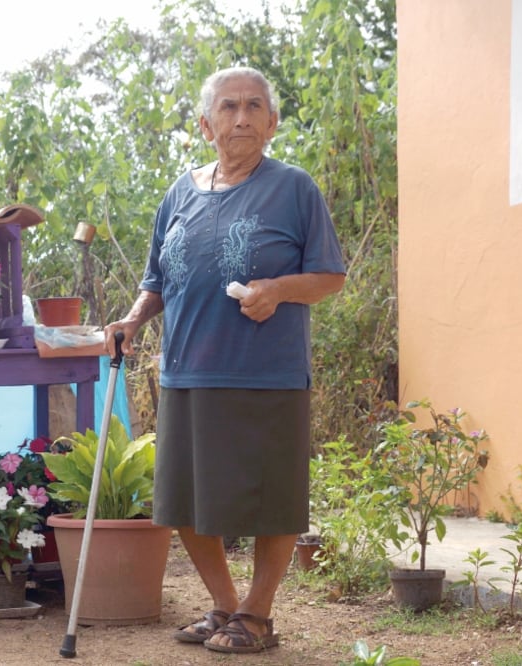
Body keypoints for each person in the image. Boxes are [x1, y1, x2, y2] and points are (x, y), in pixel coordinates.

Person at [103, 66, 345, 654]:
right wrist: (135, 318)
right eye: (230, 107)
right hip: (187, 367)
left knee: (272, 497)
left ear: (273, 122)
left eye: (255, 107)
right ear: (204, 123)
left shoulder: (294, 188)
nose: (242, 117)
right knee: (184, 499)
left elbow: (330, 277)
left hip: (267, 373)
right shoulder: (178, 193)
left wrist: (280, 290)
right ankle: (225, 605)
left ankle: (257, 616)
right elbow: (156, 278)